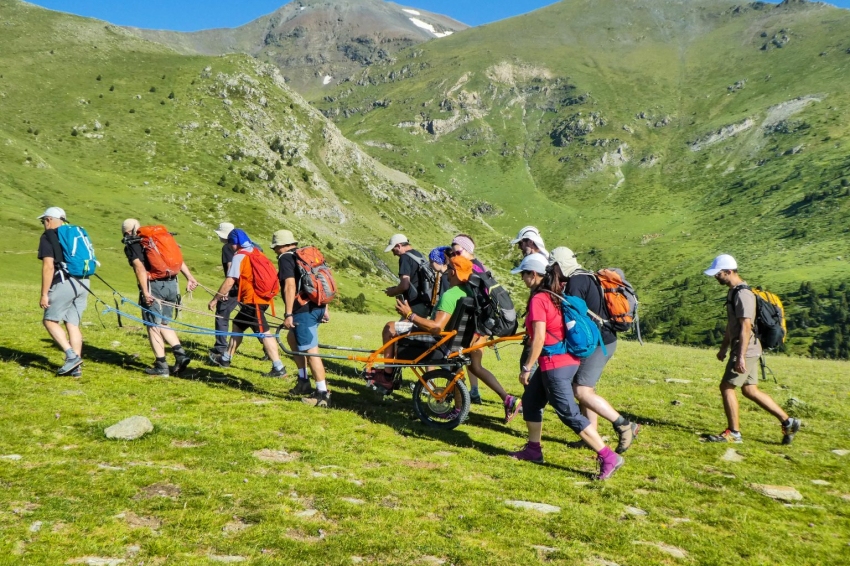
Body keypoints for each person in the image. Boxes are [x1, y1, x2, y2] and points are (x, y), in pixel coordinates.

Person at [509, 253, 624, 480]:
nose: (522, 279)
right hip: (561, 361)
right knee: (531, 401)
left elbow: (539, 337)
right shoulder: (554, 294)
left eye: (523, 274)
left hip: (555, 365)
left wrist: (526, 368)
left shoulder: (539, 299)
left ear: (533, 274)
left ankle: (608, 456)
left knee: (568, 413)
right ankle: (533, 450)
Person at [370, 255, 521, 424]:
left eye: (449, 269)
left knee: (390, 327)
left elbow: (436, 327)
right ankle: (459, 410)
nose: (446, 272)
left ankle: (387, 376)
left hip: (437, 341)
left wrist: (410, 315)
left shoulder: (450, 295)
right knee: (470, 368)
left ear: (454, 272)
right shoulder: (470, 292)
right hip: (456, 343)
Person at [548, 247, 640, 454]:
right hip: (603, 340)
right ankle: (591, 436)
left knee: (581, 390)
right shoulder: (587, 276)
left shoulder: (574, 283)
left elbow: (573, 319)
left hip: (597, 343)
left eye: (553, 267)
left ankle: (624, 424)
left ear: (558, 265)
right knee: (584, 388)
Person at [703, 254, 801, 444]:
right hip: (745, 348)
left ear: (729, 272)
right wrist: (724, 348)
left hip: (746, 348)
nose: (716, 277)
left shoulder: (742, 294)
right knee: (750, 390)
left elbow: (746, 326)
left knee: (727, 387)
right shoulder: (733, 292)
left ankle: (734, 433)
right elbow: (731, 325)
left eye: (718, 274)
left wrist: (740, 356)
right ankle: (788, 422)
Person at [122, 218, 198, 376]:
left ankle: (161, 365)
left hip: (154, 286)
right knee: (164, 322)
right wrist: (190, 277)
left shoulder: (133, 245)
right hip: (172, 284)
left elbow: (140, 269)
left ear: (127, 232)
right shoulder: (157, 240)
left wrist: (145, 291)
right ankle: (180, 354)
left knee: (153, 325)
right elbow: (179, 260)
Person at [207, 229, 287, 377]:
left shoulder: (240, 256)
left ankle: (279, 368)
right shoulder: (256, 252)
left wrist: (215, 299)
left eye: (231, 243)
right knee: (237, 325)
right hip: (260, 299)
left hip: (253, 301)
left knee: (265, 333)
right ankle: (225, 359)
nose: (231, 247)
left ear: (235, 243)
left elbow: (230, 281)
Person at [449, 234, 513, 409]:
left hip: (477, 327)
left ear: (467, 250)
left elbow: (477, 301)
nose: (454, 256)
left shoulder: (473, 269)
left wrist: (481, 330)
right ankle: (507, 399)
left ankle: (458, 408)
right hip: (480, 326)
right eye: (452, 253)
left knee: (459, 362)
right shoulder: (479, 267)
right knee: (474, 366)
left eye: (457, 252)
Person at [272, 229, 331, 408]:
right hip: (317, 306)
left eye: (275, 248)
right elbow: (323, 279)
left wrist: (288, 313)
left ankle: (322, 394)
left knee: (311, 351)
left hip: (302, 310)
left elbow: (289, 286)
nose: (275, 251)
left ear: (281, 246)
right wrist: (325, 308)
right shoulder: (308, 256)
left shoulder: (286, 258)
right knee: (292, 338)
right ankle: (303, 380)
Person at [37, 207, 89, 377]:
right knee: (72, 324)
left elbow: (48, 266)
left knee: (50, 321)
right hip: (84, 281)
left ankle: (71, 357)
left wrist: (44, 293)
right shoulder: (75, 233)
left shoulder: (49, 236)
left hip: (64, 282)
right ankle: (76, 368)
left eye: (43, 220)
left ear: (49, 219)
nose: (43, 224)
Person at [209, 222, 265, 359]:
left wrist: (223, 293)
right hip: (252, 288)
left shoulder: (229, 247)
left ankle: (221, 348)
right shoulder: (253, 245)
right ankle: (268, 348)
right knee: (251, 317)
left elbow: (231, 269)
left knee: (222, 313)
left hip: (235, 286)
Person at [383, 234, 432, 318]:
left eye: (393, 250)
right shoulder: (418, 255)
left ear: (398, 246)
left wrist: (393, 292)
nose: (394, 254)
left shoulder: (404, 258)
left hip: (414, 304)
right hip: (425, 301)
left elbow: (405, 285)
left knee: (401, 330)